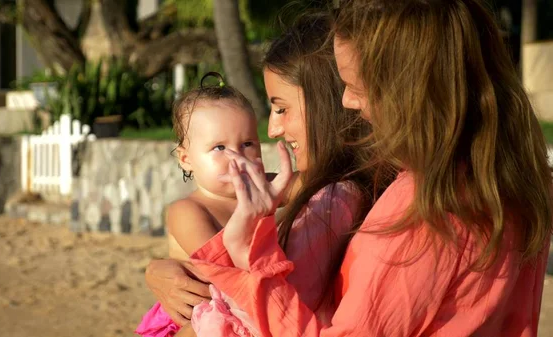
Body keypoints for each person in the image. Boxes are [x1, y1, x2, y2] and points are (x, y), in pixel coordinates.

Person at [184, 0, 553, 336]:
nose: (346, 102)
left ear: (404, 88)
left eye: (355, 85)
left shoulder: (424, 207)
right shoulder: (513, 179)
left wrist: (253, 254)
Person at [140, 17, 374, 332]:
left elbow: (314, 182)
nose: (237, 156)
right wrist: (159, 268)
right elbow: (224, 272)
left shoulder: (266, 188)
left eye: (247, 143)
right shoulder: (188, 211)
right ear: (186, 160)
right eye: (219, 148)